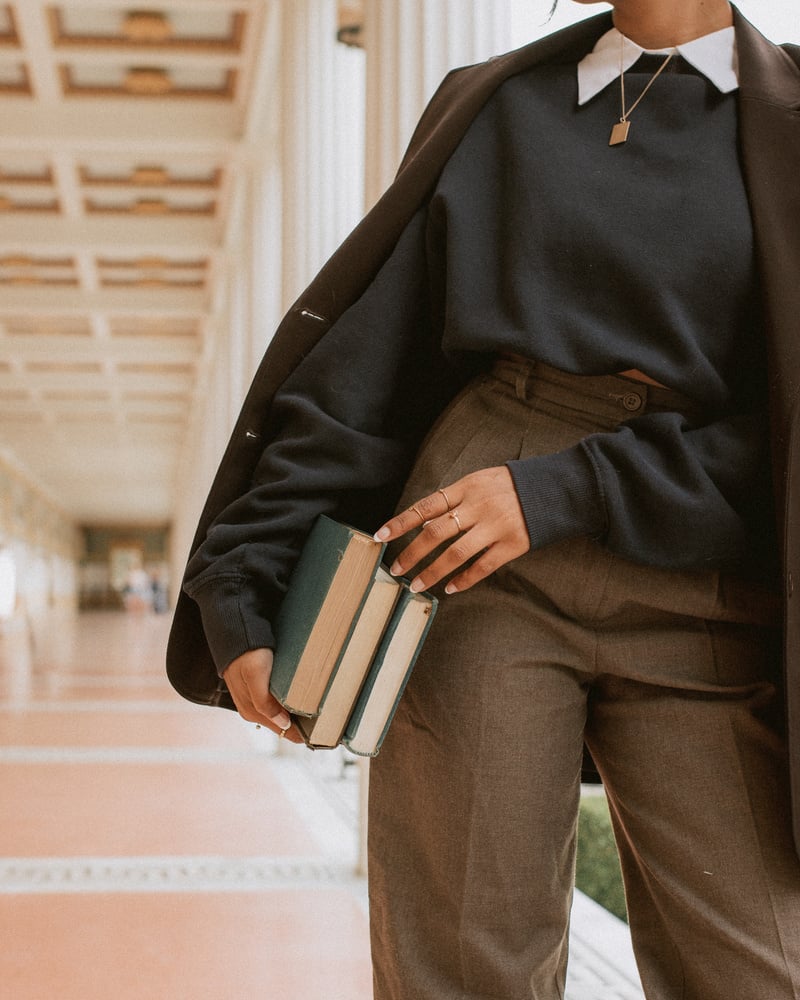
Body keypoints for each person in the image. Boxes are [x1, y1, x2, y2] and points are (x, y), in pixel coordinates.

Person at [167, 1, 800, 996]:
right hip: (465, 560)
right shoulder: (495, 105)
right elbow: (370, 366)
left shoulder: (787, 116)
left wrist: (569, 487)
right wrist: (247, 569)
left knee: (760, 964)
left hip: (702, 558)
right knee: (461, 961)